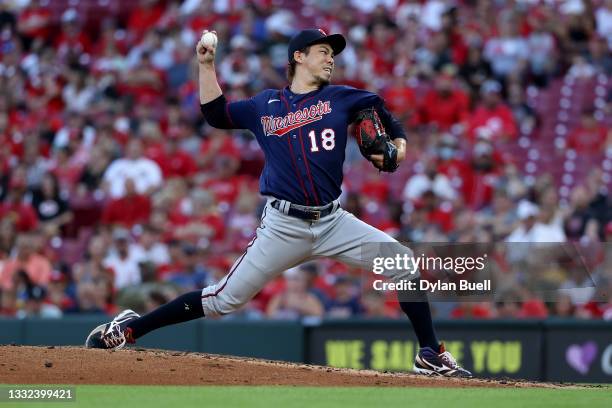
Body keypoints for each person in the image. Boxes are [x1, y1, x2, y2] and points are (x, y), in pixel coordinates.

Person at [85, 28, 471, 377]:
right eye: (322, 51)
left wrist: (399, 147)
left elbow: (384, 113)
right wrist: (206, 65)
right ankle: (130, 328)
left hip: (333, 221)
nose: (330, 58)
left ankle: (430, 352)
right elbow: (216, 114)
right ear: (298, 57)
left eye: (332, 53)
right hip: (283, 225)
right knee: (223, 300)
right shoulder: (265, 105)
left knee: (403, 263)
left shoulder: (343, 97)